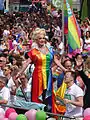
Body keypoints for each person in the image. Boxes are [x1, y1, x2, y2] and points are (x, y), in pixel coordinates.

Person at [16, 28, 66, 108]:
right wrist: (19, 72)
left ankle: (47, 110)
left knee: (48, 94)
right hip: (38, 75)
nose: (42, 40)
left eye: (43, 38)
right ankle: (37, 111)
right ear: (36, 40)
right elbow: (27, 63)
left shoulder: (50, 50)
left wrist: (64, 69)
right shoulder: (33, 51)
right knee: (38, 94)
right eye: (40, 38)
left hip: (48, 74)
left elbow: (56, 60)